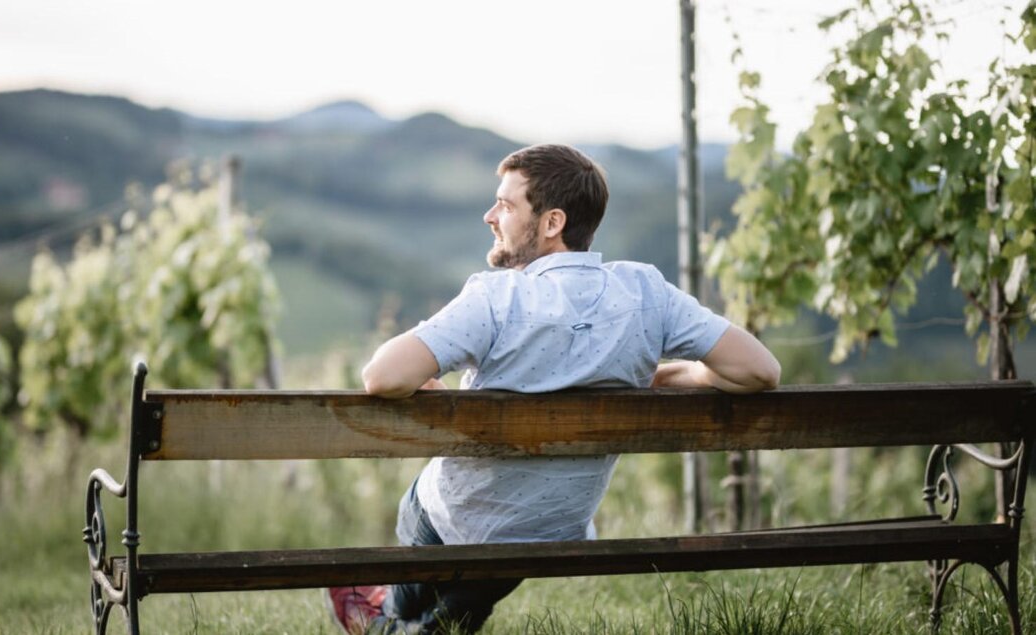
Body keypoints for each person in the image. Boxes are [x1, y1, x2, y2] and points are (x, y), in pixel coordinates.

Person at [325, 144, 781, 634]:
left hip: (457, 519)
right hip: (554, 529)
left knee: (431, 524)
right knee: (489, 558)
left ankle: (384, 617)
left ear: (551, 223)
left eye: (506, 204)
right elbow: (759, 371)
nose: (490, 215)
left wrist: (443, 394)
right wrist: (679, 374)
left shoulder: (498, 298)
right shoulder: (647, 294)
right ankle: (406, 621)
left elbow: (383, 376)